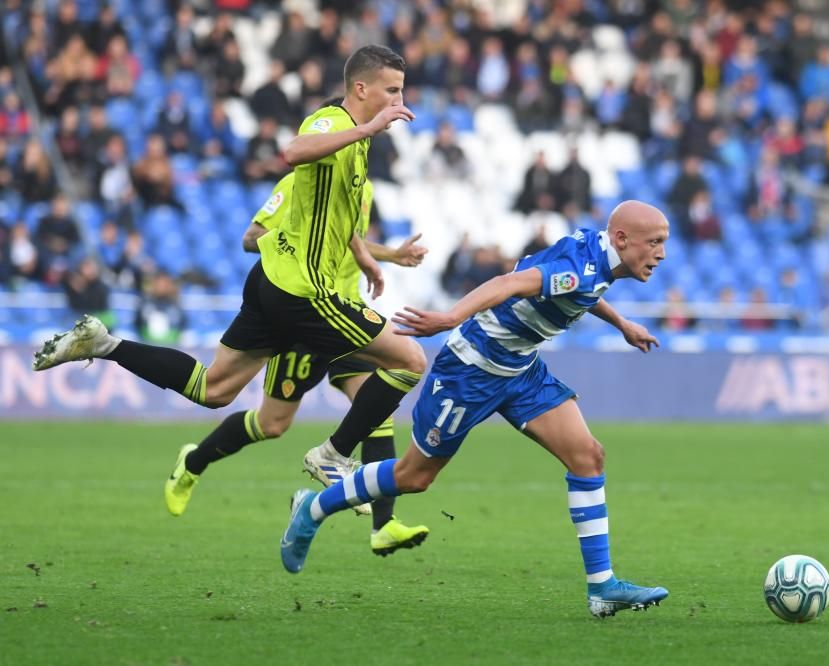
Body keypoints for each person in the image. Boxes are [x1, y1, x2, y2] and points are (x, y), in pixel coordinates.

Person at [32, 45, 427, 496]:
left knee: (214, 389)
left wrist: (366, 254)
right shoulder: (335, 122)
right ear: (361, 88)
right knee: (410, 361)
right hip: (305, 291)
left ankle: (105, 344)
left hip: (273, 281)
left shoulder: (359, 139)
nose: (399, 102)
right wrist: (369, 128)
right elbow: (294, 151)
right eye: (391, 91)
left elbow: (330, 209)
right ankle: (333, 455)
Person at [280, 200, 670, 618]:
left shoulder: (597, 259)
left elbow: (578, 291)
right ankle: (313, 507)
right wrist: (450, 317)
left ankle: (602, 587)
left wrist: (622, 324)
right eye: (655, 242)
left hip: (521, 370)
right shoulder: (582, 266)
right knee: (414, 477)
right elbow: (508, 284)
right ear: (622, 239)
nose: (661, 254)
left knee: (588, 456)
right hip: (472, 370)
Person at [167, 168, 430, 556]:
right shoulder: (298, 183)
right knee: (271, 423)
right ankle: (194, 460)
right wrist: (295, 247)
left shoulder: (362, 187)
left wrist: (390, 254)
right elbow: (250, 239)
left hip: (344, 311)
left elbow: (345, 238)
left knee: (379, 405)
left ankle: (383, 524)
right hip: (305, 316)